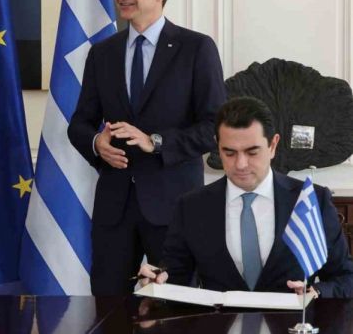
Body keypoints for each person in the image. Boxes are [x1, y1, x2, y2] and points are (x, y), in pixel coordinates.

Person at [67, 0, 226, 295]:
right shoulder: (102, 53)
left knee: (176, 307)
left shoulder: (196, 48)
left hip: (174, 206)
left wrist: (155, 142)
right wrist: (97, 143)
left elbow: (215, 127)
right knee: (108, 308)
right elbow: (79, 123)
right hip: (114, 207)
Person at [138, 96, 353, 298]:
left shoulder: (311, 200)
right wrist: (156, 281)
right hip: (218, 321)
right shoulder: (191, 206)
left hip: (290, 321)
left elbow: (346, 278)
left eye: (252, 152)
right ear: (217, 146)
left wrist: (316, 292)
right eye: (229, 153)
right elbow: (175, 275)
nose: (240, 164)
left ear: (273, 145)